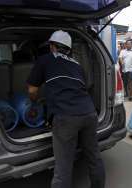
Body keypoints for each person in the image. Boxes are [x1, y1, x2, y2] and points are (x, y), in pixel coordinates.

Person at [27, 30, 105, 188]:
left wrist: (35, 102)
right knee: (94, 156)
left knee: (63, 167)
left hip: (66, 117)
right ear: (68, 49)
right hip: (89, 114)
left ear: (52, 46)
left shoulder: (45, 60)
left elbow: (32, 91)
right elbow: (82, 87)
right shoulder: (77, 65)